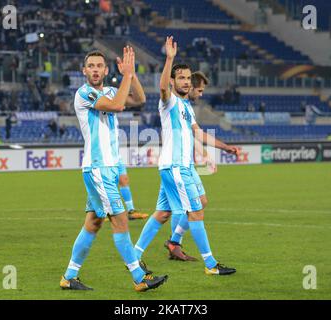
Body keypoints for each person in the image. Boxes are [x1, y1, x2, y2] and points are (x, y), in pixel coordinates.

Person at [60, 48, 167, 292]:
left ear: (106, 70)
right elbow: (119, 106)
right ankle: (140, 277)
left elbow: (139, 99)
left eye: (100, 66)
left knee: (94, 223)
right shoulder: (84, 93)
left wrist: (132, 74)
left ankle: (69, 276)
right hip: (97, 168)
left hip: (107, 169)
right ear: (84, 71)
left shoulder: (108, 90)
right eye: (91, 66)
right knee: (120, 221)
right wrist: (126, 76)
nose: (96, 70)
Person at [133, 37, 238, 276]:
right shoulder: (168, 102)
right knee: (195, 212)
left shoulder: (187, 107)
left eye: (188, 78)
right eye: (181, 77)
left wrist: (225, 147)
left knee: (166, 212)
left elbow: (199, 134)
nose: (186, 81)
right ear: (173, 81)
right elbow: (161, 88)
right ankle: (211, 264)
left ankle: (134, 255)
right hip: (176, 167)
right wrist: (169, 58)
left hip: (182, 167)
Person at [163, 71, 218, 261]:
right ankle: (204, 260)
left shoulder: (187, 108)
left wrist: (205, 154)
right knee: (176, 211)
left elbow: (193, 135)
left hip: (186, 165)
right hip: (175, 165)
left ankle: (174, 242)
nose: (201, 94)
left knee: (200, 203)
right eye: (199, 90)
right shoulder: (174, 104)